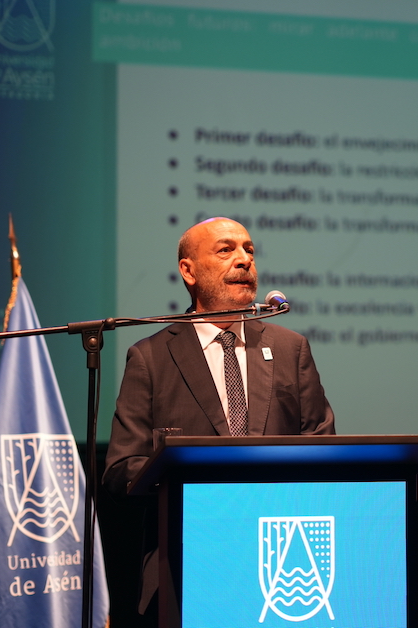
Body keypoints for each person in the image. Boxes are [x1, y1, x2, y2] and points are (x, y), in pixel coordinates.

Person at [103, 217, 335, 618]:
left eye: (249, 250)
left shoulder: (290, 348)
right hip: (187, 561)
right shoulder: (150, 358)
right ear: (188, 271)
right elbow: (121, 469)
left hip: (280, 560)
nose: (244, 259)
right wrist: (190, 474)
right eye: (226, 250)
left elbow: (322, 445)